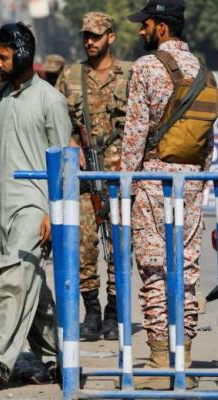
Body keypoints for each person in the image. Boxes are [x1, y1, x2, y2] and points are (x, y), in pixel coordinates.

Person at [0, 22, 71, 385]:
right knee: (31, 284)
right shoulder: (0, 98)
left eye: (2, 56)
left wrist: (50, 212)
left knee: (12, 277)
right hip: (3, 209)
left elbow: (64, 163)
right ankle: (59, 357)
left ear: (23, 54)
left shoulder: (50, 101)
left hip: (34, 206)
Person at [122, 0, 213, 389]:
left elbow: (134, 135)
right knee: (187, 270)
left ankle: (160, 362)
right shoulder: (205, 73)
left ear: (162, 27)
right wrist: (199, 178)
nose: (141, 30)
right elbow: (206, 142)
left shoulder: (145, 68)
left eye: (146, 23)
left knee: (155, 270)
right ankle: (185, 361)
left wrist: (123, 187)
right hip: (191, 183)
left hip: (152, 182)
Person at [55, 12, 131, 342]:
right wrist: (71, 143)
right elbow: (56, 119)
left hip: (118, 176)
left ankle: (114, 311)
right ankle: (92, 311)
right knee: (84, 246)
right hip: (83, 177)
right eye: (86, 35)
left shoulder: (129, 74)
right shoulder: (70, 75)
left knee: (118, 246)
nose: (90, 42)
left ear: (110, 37)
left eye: (96, 36)